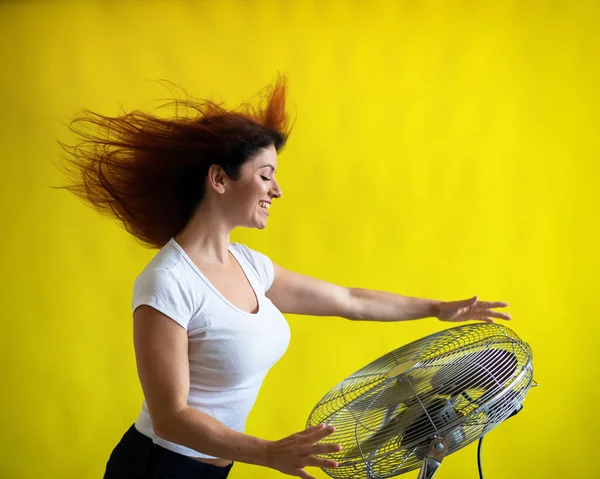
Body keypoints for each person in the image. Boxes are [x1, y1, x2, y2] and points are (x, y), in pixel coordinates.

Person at [58, 76, 511, 479]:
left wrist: (436, 310)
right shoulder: (167, 282)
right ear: (219, 179)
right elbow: (170, 415)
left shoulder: (250, 265)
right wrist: (269, 453)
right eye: (265, 175)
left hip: (213, 468)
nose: (276, 190)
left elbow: (350, 300)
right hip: (157, 467)